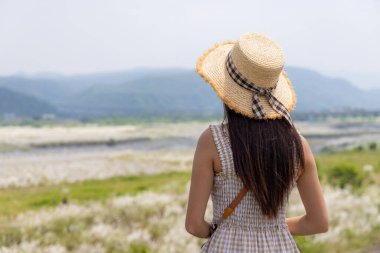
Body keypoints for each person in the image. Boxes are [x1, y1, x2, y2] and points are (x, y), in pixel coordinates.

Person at [185, 32, 328, 252]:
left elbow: (194, 225)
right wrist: (273, 227)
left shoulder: (213, 141)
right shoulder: (298, 145)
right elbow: (318, 222)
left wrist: (223, 230)